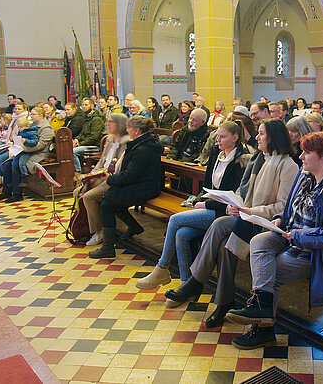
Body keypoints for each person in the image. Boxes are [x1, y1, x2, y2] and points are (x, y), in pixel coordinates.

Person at [225, 132, 323, 349]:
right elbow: (290, 206)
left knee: (272, 271)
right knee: (258, 242)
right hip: (291, 234)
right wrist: (281, 219)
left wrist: (298, 236)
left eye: (307, 153)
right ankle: (262, 309)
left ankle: (264, 329)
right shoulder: (305, 174)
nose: (300, 157)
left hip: (317, 251)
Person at [165, 119, 298, 327]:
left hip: (264, 223)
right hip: (246, 217)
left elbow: (282, 207)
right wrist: (234, 203)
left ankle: (196, 281)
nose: (257, 137)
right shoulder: (258, 159)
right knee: (224, 248)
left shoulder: (287, 165)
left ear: (274, 137)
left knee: (219, 227)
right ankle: (223, 303)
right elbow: (242, 191)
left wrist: (248, 210)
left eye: (262, 134)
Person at [136, 121, 251, 289]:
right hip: (211, 205)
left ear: (235, 138)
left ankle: (161, 268)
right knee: (182, 234)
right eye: (217, 136)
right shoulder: (216, 153)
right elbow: (208, 186)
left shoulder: (242, 160)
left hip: (225, 212)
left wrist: (207, 205)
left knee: (175, 220)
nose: (217, 140)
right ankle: (185, 283)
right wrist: (199, 200)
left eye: (222, 137)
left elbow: (233, 197)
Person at [88, 116, 163, 258]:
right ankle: (133, 227)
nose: (127, 130)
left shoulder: (143, 148)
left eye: (129, 127)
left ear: (136, 130)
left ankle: (108, 247)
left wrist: (111, 179)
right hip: (140, 183)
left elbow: (130, 175)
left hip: (146, 187)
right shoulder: (142, 143)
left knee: (107, 204)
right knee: (110, 200)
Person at [79, 113, 132, 246]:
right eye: (107, 121)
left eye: (111, 122)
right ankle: (84, 228)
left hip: (113, 179)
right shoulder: (109, 139)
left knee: (88, 196)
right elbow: (102, 161)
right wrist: (91, 174)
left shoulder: (127, 142)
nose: (107, 124)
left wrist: (98, 176)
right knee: (77, 192)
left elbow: (119, 167)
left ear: (119, 124)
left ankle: (99, 231)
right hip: (101, 175)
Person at [0, 107, 54, 203]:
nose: (31, 116)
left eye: (33, 114)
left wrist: (24, 149)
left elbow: (40, 145)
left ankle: (17, 193)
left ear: (40, 115)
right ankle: (6, 191)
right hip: (26, 150)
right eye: (31, 114)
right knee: (6, 164)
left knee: (15, 165)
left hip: (38, 153)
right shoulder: (31, 125)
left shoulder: (46, 128)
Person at [0, 103, 29, 188]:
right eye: (16, 109)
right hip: (11, 143)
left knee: (2, 159)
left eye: (19, 109)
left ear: (25, 109)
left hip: (19, 146)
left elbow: (23, 136)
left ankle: (6, 183)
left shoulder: (26, 119)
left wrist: (13, 143)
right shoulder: (14, 119)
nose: (17, 111)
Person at [72, 98, 105, 173]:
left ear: (92, 106)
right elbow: (82, 133)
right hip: (86, 143)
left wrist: (80, 144)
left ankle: (78, 172)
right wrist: (77, 139)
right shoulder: (87, 118)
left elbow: (94, 137)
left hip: (94, 146)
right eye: (83, 105)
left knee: (73, 151)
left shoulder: (97, 119)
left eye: (86, 105)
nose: (84, 106)